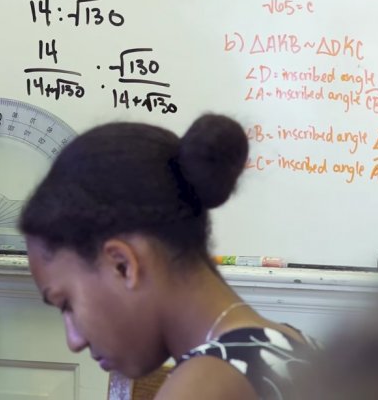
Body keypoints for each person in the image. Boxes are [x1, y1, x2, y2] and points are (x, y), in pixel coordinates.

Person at [18, 114, 317, 400]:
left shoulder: (206, 387)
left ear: (122, 265)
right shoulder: (295, 345)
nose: (75, 340)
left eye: (66, 304)